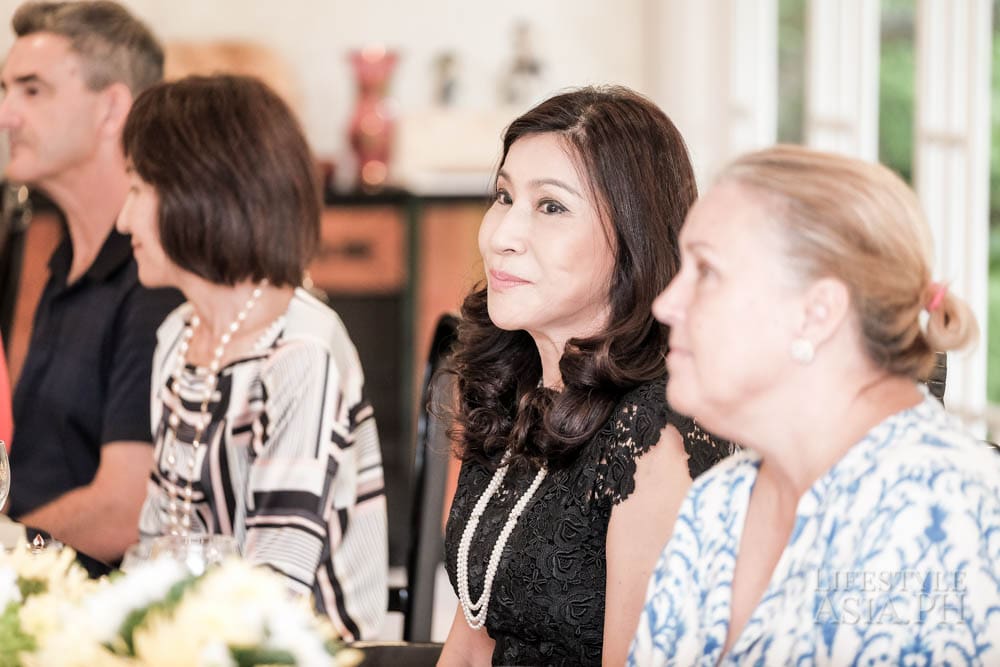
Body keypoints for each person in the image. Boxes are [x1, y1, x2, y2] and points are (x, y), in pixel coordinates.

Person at [630, 145, 1000, 665]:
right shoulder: (718, 503)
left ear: (817, 312)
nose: (666, 303)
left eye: (706, 270)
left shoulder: (944, 512)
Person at [438, 86, 732, 667]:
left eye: (551, 207)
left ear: (632, 237)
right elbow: (474, 639)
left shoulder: (652, 433)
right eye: (504, 196)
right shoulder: (515, 382)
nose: (501, 236)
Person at [117, 74, 388, 640]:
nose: (123, 219)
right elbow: (156, 542)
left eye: (137, 190)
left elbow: (274, 591)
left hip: (304, 649)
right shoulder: (177, 335)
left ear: (199, 193)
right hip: (200, 637)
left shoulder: (299, 353)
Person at [0, 1, 182, 565]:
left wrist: (10, 546)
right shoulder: (63, 264)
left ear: (112, 109)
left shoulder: (157, 280)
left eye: (32, 91)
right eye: (5, 90)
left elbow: (124, 513)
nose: (6, 115)